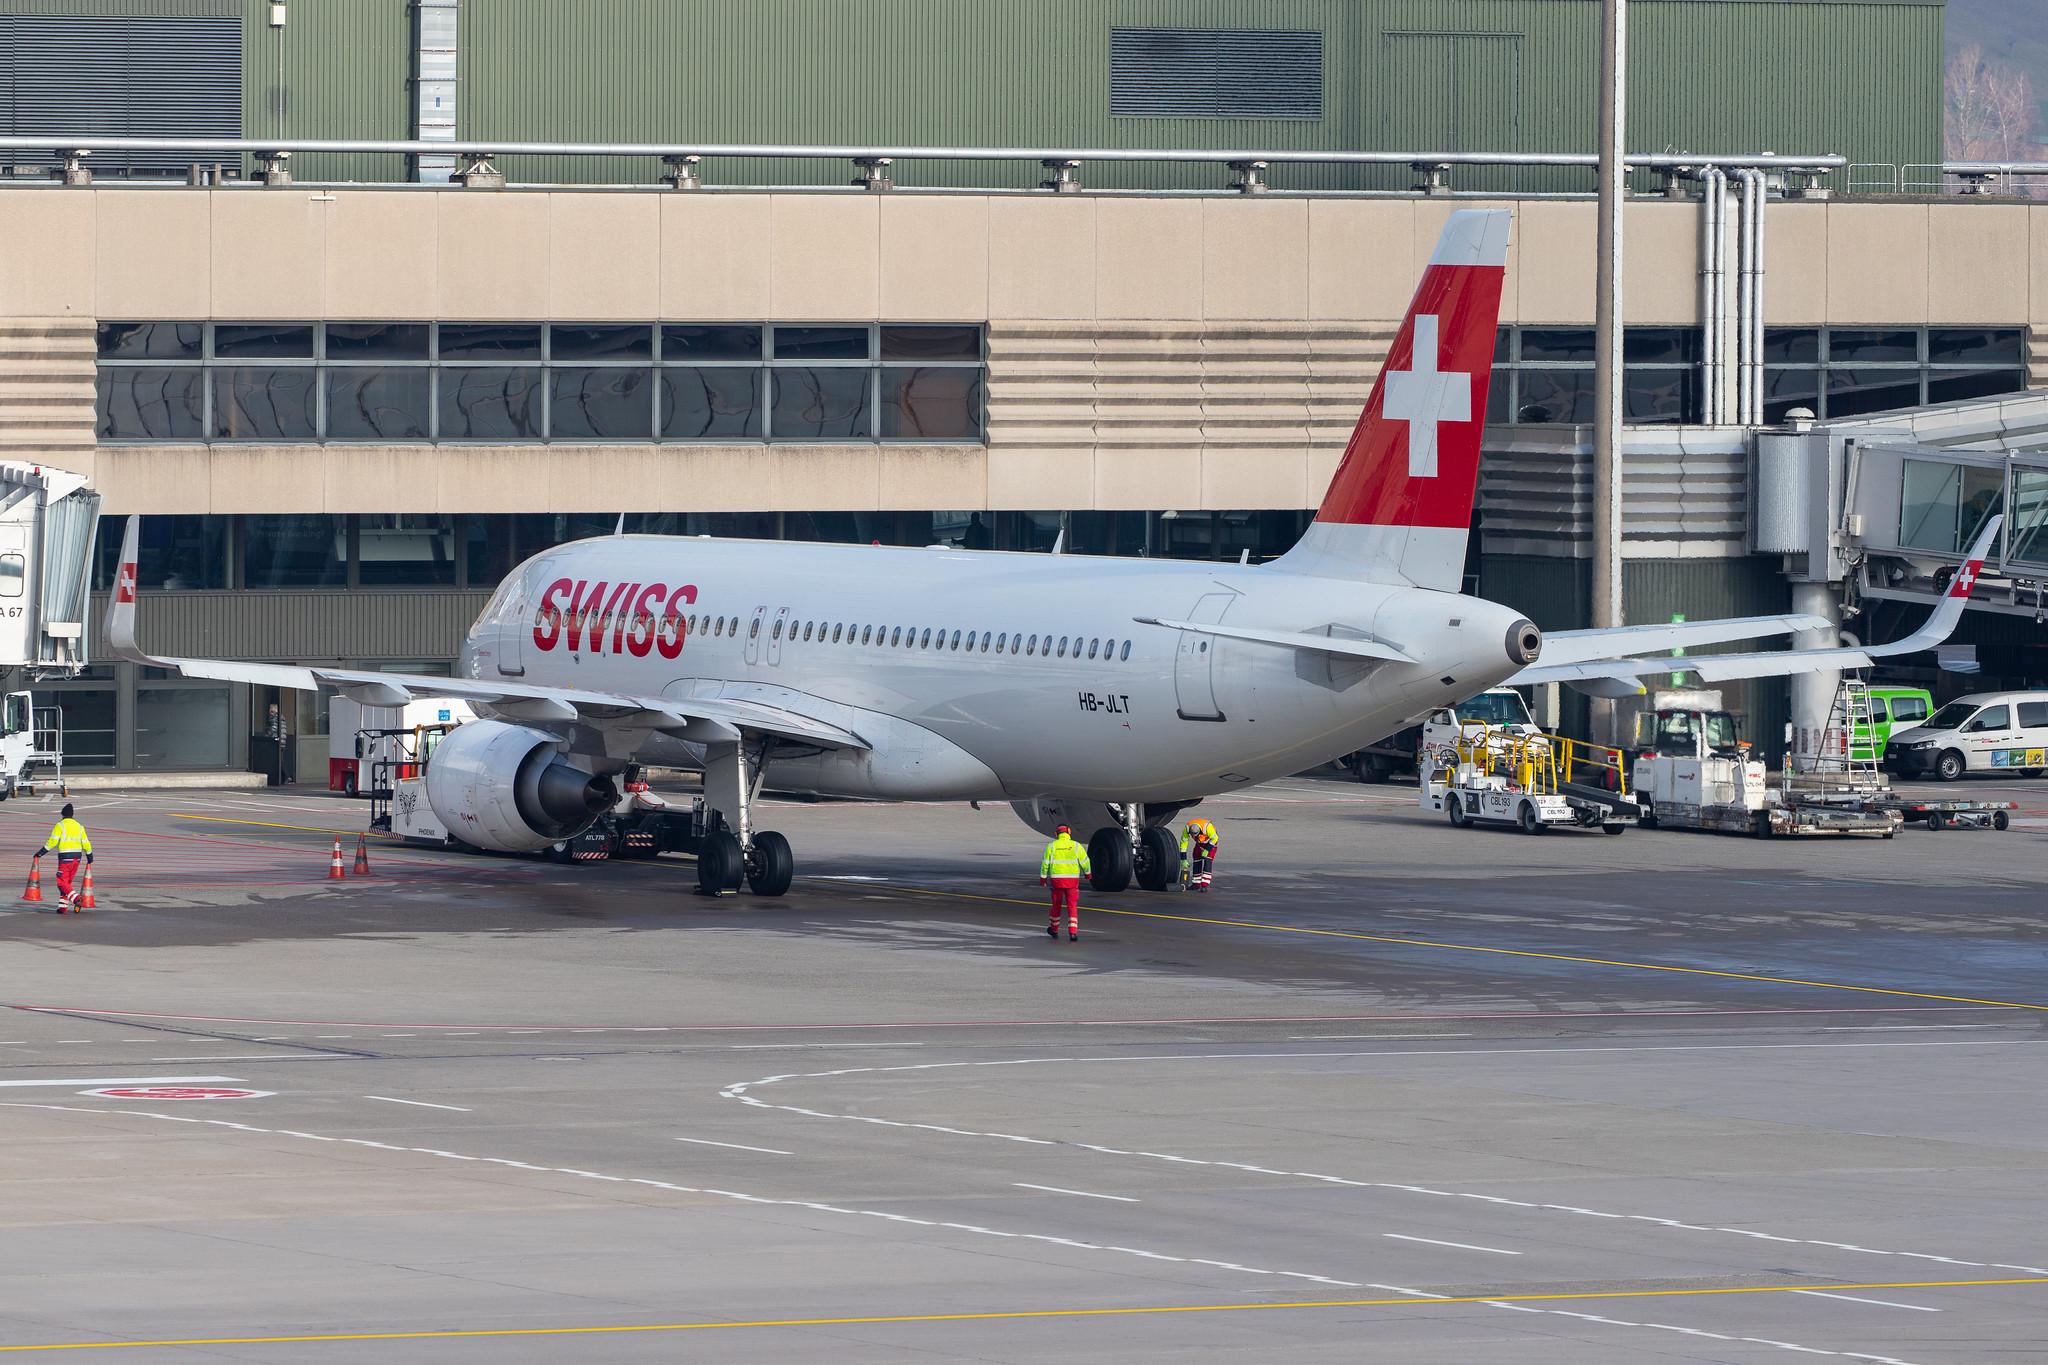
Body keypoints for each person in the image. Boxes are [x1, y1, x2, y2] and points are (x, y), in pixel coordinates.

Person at [35, 802, 92, 914]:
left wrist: (41, 853)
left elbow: (52, 841)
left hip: (65, 858)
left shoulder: (60, 825)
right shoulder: (79, 826)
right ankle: (63, 907)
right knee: (67, 884)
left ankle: (76, 899)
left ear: (63, 814)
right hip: (77, 858)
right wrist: (90, 855)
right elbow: (86, 843)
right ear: (72, 814)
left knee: (61, 882)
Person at [1039, 824, 1090, 941]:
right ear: (1069, 832)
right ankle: (1073, 932)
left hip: (1057, 881)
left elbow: (1045, 863)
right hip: (1072, 881)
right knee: (1072, 906)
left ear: (1056, 834)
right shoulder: (1076, 846)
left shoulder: (1051, 846)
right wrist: (1088, 874)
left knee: (1056, 905)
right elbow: (1085, 861)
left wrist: (1043, 878)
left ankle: (1054, 929)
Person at [1180, 817, 1220, 892]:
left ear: (1200, 831)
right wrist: (1183, 858)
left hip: (1210, 843)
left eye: (1195, 835)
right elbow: (1184, 842)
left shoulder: (1207, 827)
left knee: (1207, 862)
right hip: (1199, 843)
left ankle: (1204, 885)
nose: (1193, 837)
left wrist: (1207, 850)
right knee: (1196, 859)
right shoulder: (1187, 828)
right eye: (1192, 835)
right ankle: (1196, 884)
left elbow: (1215, 838)